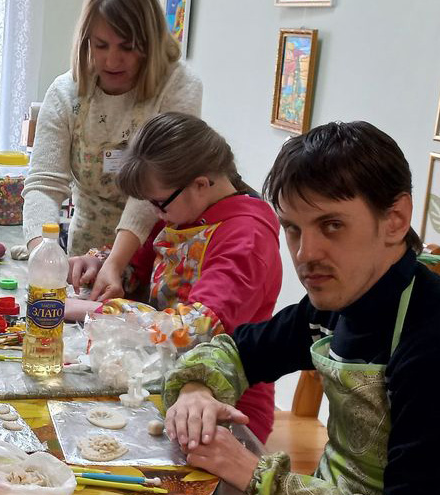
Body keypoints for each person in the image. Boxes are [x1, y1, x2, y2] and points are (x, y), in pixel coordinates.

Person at [164, 121, 440, 495]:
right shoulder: (341, 302)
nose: (305, 254)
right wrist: (197, 390)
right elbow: (238, 351)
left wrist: (250, 472)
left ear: (395, 220)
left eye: (331, 225)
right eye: (292, 228)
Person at [64, 112, 281, 442]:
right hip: (161, 374)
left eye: (158, 203)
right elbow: (140, 265)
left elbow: (198, 329)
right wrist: (103, 265)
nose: (154, 212)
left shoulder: (247, 238)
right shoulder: (186, 211)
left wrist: (97, 311)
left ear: (201, 184)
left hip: (222, 402)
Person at [22, 0, 202, 259]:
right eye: (101, 45)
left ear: (150, 43)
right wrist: (42, 253)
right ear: (86, 40)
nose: (112, 60)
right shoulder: (66, 93)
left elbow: (157, 185)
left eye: (127, 47)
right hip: (85, 251)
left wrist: (114, 263)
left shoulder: (178, 87)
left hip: (157, 257)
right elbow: (44, 184)